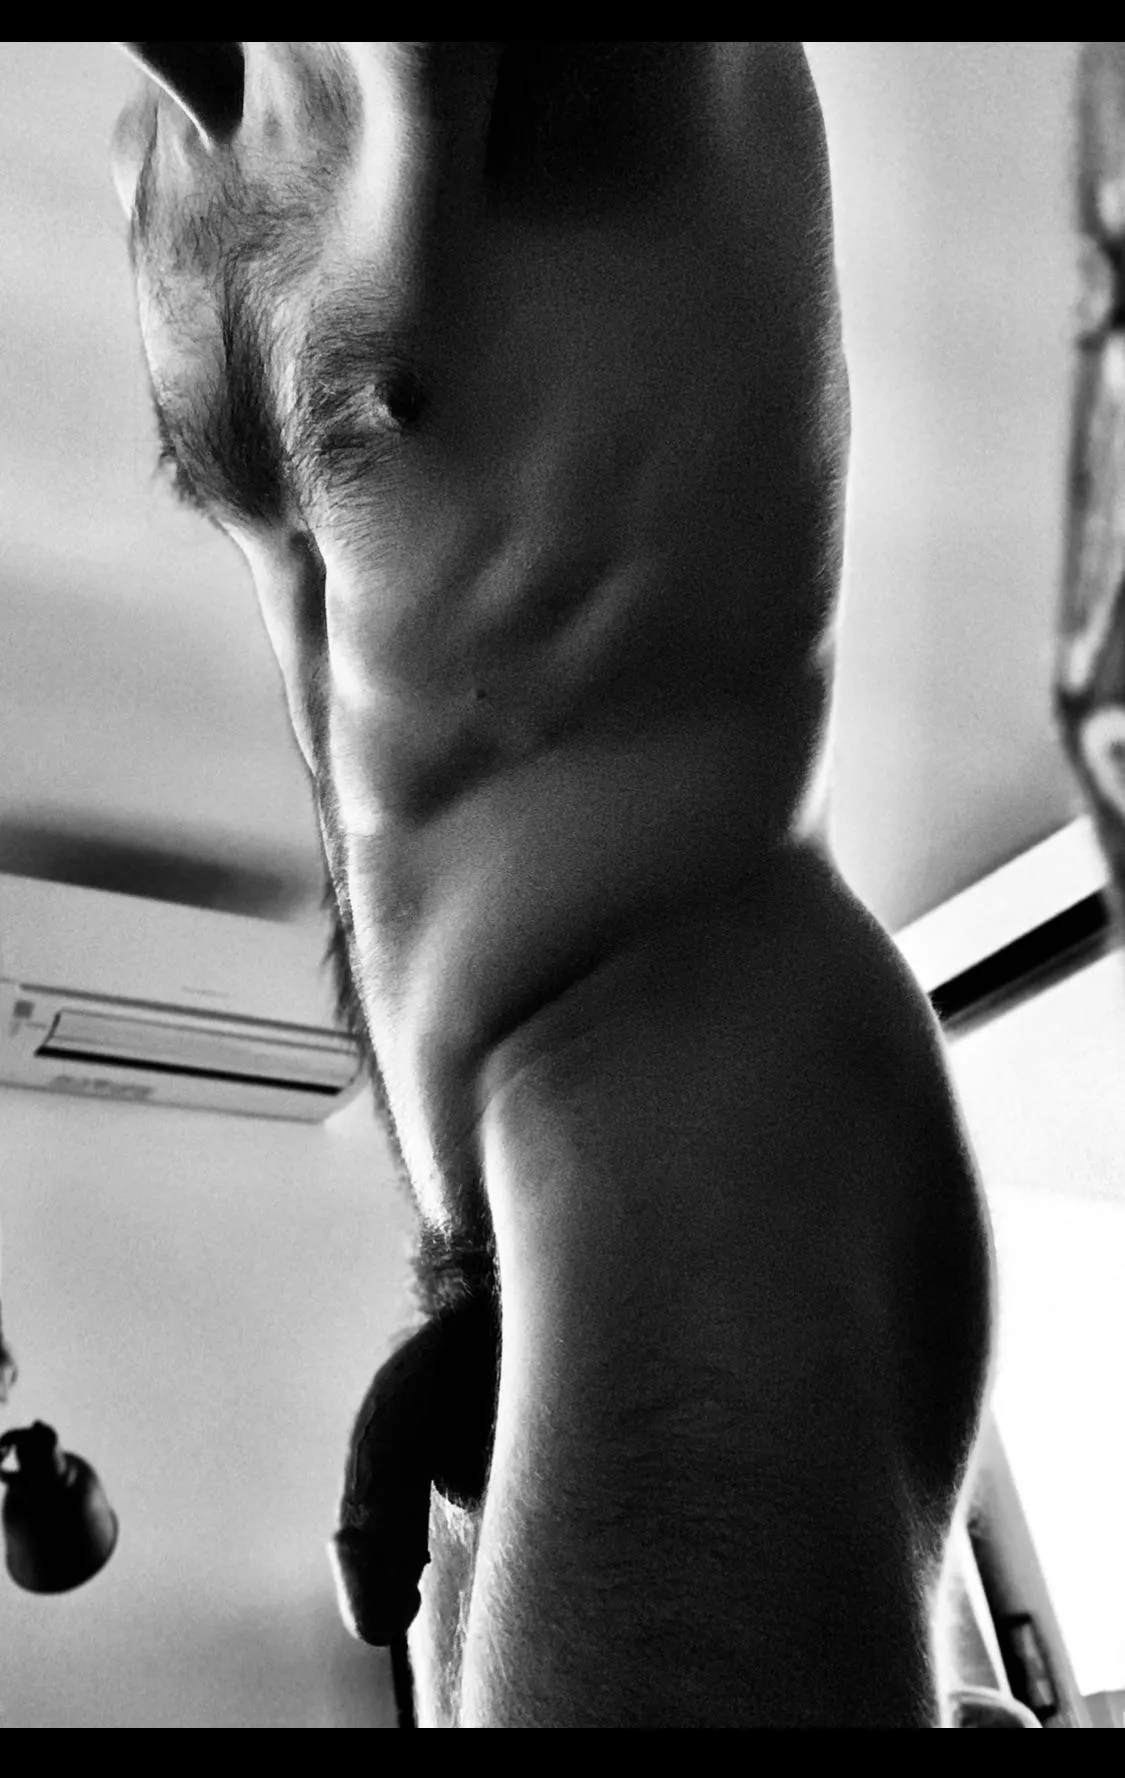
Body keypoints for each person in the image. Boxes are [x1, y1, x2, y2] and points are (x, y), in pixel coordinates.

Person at [110, 43, 998, 1726]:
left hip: (688, 1062)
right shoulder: (164, 173)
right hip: (517, 1182)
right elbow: (358, 718)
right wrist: (470, 1272)